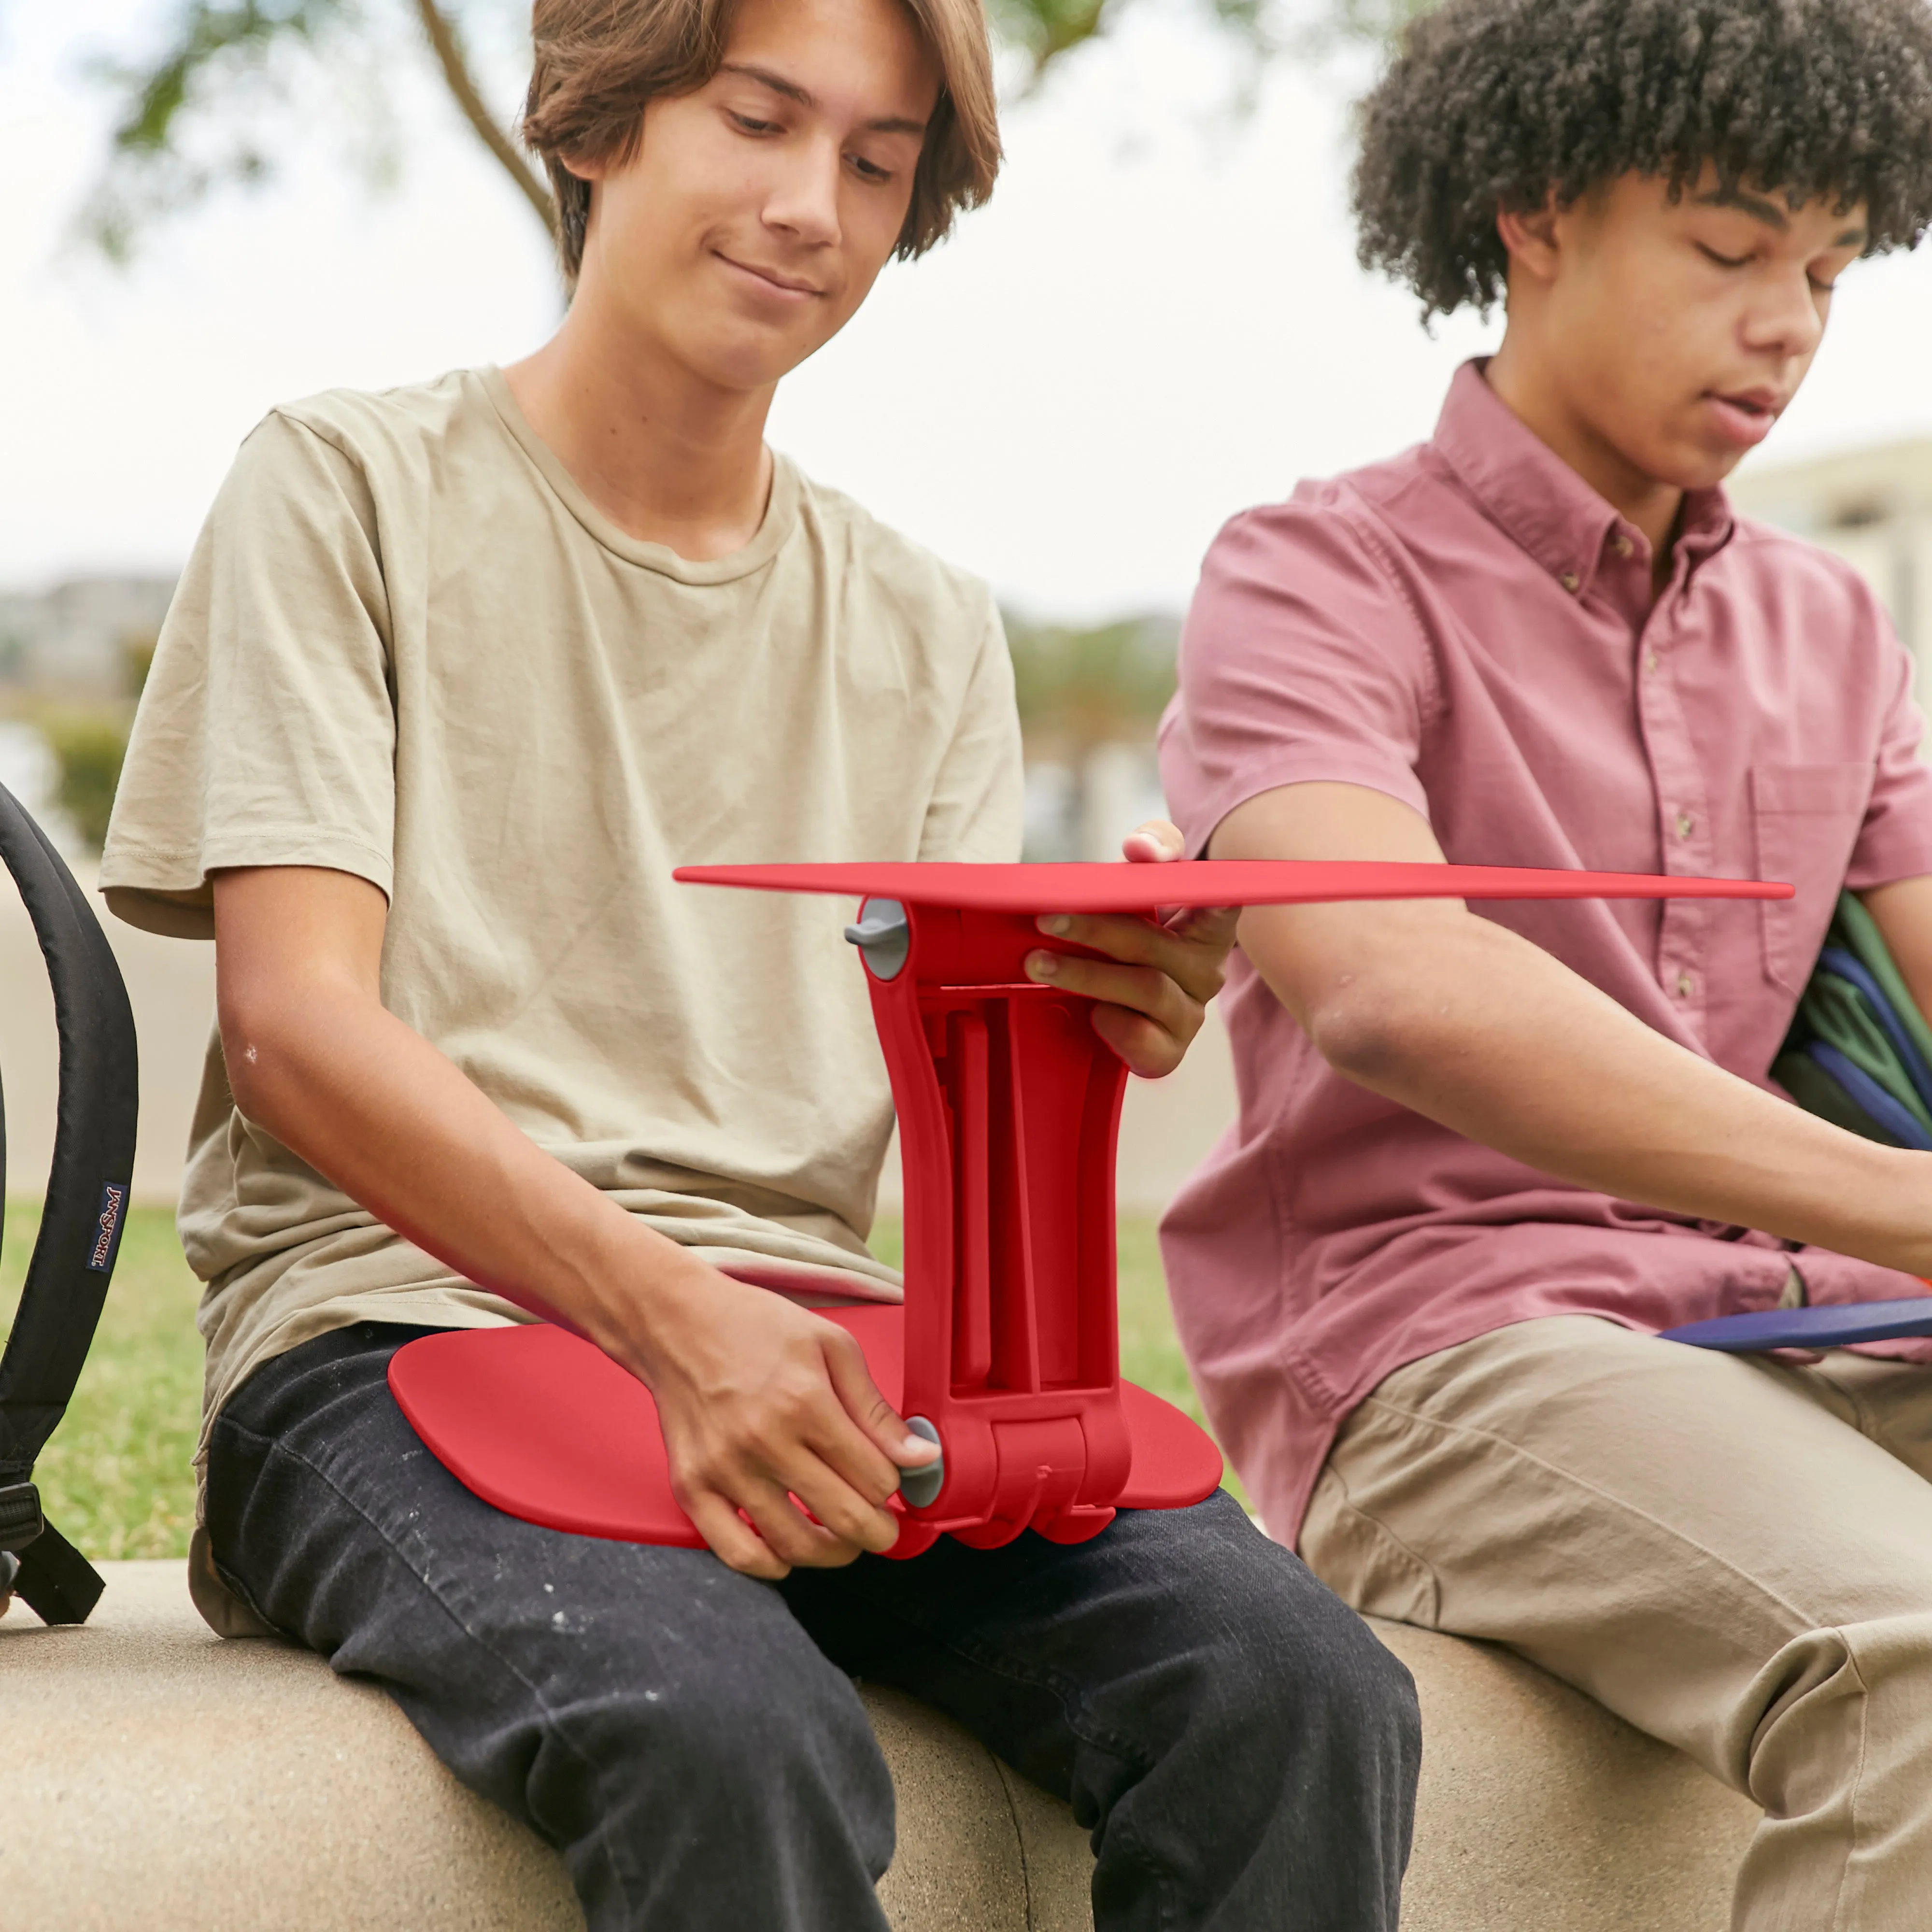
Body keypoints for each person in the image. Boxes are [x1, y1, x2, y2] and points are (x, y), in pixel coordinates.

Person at [71, 0, 1421, 1923]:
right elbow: (294, 1028)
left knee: (1300, 1690)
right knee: (724, 1723)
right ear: (599, 118)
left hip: (819, 1351)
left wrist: (1088, 1006)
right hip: (386, 1334)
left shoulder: (927, 622)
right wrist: (671, 1324)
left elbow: (940, 1079)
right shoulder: (342, 488)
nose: (813, 207)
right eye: (760, 122)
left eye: (875, 165)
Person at [1155, 0, 1932, 1923]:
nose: (1787, 324)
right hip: (1441, 1352)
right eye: (1731, 247)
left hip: (1803, 1328)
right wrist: (1904, 1201)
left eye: (1827, 272)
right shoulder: (1314, 576)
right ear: (1530, 211)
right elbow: (1395, 988)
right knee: (1917, 1661)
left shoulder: (1833, 628)